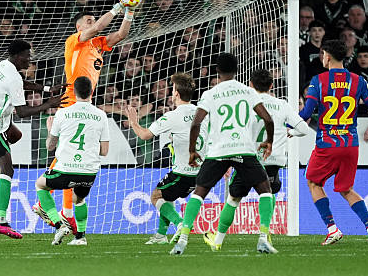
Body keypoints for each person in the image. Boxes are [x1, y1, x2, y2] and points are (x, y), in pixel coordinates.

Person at [32, 0, 137, 232]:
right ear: (79, 27)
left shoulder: (98, 44)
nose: (93, 23)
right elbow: (98, 27)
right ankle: (54, 207)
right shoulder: (74, 41)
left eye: (93, 20)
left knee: (71, 160)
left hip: (86, 101)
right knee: (67, 156)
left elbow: (121, 34)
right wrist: (118, 7)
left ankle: (65, 212)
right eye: (88, 21)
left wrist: (129, 12)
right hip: (71, 101)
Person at [169, 53, 277, 255]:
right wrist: (269, 141)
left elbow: (196, 124)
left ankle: (182, 240)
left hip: (218, 151)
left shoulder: (210, 94)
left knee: (199, 192)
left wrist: (192, 151)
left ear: (217, 70)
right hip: (244, 149)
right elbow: (268, 119)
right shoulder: (248, 91)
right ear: (237, 69)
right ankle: (263, 238)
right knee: (265, 190)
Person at [0, 39, 65, 239]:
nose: (30, 60)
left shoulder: (3, 65)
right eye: (27, 56)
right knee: (7, 169)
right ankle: (0, 222)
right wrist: (49, 104)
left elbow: (21, 83)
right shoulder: (13, 78)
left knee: (15, 135)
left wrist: (46, 90)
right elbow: (23, 112)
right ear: (17, 56)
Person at [203, 68, 310, 251]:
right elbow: (304, 129)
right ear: (272, 86)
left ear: (250, 85)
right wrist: (290, 132)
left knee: (233, 199)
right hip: (274, 160)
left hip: (250, 159)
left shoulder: (247, 104)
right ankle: (265, 235)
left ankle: (218, 240)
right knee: (267, 195)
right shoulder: (282, 105)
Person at [297, 39, 368, 245]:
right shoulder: (358, 81)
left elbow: (307, 113)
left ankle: (332, 228)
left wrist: (290, 124)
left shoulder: (318, 80)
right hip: (350, 144)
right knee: (346, 189)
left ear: (327, 56)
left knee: (314, 182)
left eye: (322, 54)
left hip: (327, 143)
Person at [126, 73, 208, 245]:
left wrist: (133, 121)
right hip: (202, 173)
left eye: (172, 89)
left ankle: (180, 223)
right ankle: (161, 235)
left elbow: (145, 135)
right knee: (167, 198)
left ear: (176, 93)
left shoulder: (172, 116)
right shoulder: (203, 113)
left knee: (156, 197)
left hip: (182, 172)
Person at [35, 76, 109, 245]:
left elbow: (50, 147)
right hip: (88, 172)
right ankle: (80, 237)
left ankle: (59, 225)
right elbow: (104, 151)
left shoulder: (62, 113)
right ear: (91, 92)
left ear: (74, 92)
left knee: (40, 185)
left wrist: (50, 130)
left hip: (66, 170)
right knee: (78, 199)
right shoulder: (101, 115)